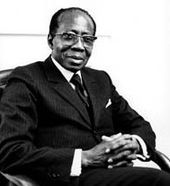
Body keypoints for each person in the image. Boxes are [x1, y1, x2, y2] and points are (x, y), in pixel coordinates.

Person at [0, 7, 170, 186]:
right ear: (51, 40)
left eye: (87, 39)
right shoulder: (27, 78)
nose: (79, 46)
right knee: (160, 181)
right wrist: (85, 158)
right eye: (69, 36)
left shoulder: (100, 79)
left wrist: (132, 144)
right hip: (66, 178)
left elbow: (139, 125)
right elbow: (11, 150)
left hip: (114, 173)